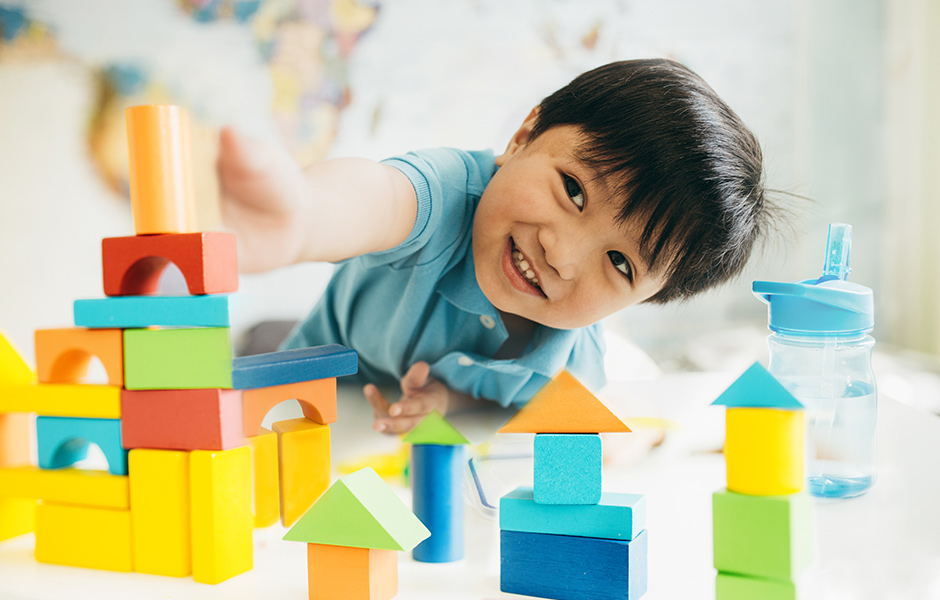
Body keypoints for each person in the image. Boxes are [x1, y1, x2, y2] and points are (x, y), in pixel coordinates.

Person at [218, 58, 773, 434]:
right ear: (523, 137)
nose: (563, 255)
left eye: (621, 262)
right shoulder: (450, 194)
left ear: (642, 300)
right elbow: (380, 198)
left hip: (384, 407)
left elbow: (507, 396)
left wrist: (445, 399)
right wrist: (305, 215)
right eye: (573, 190)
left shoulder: (571, 368)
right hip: (312, 356)